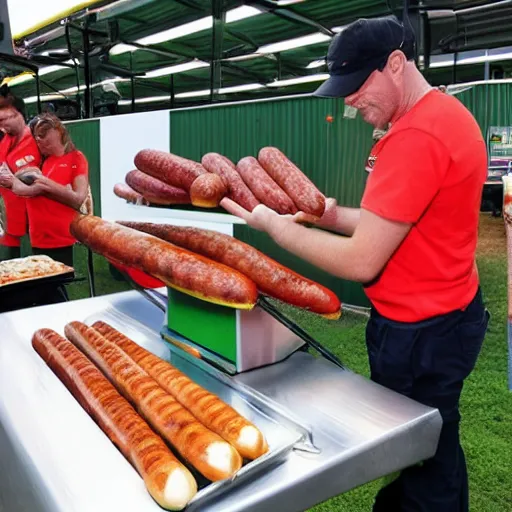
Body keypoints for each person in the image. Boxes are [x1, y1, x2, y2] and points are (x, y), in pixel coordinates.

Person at [221, 14, 489, 512]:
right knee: (430, 438)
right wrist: (327, 212)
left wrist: (277, 227)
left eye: (356, 84)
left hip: (421, 332)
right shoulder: (439, 116)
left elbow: (363, 260)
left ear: (394, 64)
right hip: (445, 314)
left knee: (427, 447)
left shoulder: (416, 137)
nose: (347, 99)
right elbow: (390, 223)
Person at [12, 113, 89, 268]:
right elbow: (17, 178)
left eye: (43, 134)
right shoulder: (42, 162)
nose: (39, 139)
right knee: (42, 285)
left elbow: (78, 199)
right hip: (38, 238)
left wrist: (44, 184)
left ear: (58, 132)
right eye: (36, 136)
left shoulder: (75, 158)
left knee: (57, 285)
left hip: (62, 240)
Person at [0, 87, 42, 260]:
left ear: (19, 114)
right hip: (9, 221)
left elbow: (39, 177)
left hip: (33, 223)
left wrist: (12, 177)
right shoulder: (5, 141)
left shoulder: (37, 140)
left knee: (38, 270)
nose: (1, 125)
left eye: (4, 120)